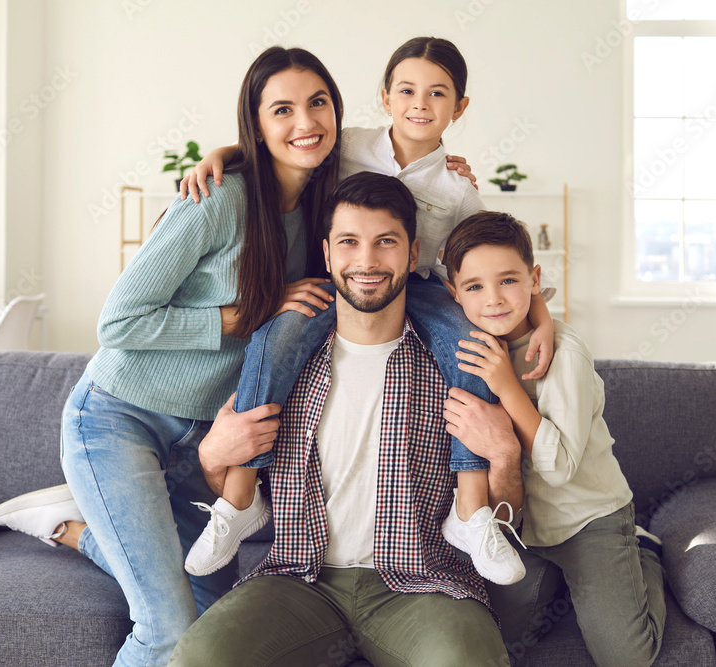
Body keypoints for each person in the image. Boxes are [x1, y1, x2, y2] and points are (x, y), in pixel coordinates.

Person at [0, 46, 346, 667]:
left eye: (318, 103)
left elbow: (410, 152)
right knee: (168, 626)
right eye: (281, 109)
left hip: (201, 446)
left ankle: (83, 532)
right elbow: (119, 321)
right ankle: (95, 521)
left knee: (213, 626)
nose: (304, 121)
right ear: (255, 125)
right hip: (117, 422)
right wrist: (244, 314)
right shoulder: (218, 201)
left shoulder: (323, 209)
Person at [181, 37, 555, 586]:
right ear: (384, 97)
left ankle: (472, 510)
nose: (420, 103)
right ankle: (239, 501)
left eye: (437, 93)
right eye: (406, 90)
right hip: (340, 280)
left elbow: (496, 254)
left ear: (460, 107)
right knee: (276, 335)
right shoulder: (350, 143)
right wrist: (221, 155)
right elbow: (287, 144)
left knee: (473, 349)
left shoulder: (457, 187)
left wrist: (541, 315)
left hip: (420, 286)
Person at [169, 172, 514, 666]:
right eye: (349, 243)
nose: (367, 261)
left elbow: (517, 511)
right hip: (297, 580)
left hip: (423, 585)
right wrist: (210, 456)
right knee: (199, 660)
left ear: (413, 254)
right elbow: (211, 483)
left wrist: (504, 454)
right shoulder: (282, 363)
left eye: (386, 243)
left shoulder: (461, 364)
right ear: (327, 255)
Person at [440, 211, 667, 667]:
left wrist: (507, 385)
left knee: (628, 658)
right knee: (498, 642)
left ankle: (644, 555)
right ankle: (560, 584)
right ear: (454, 294)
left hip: (589, 520)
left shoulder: (564, 354)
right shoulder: (471, 343)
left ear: (533, 279)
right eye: (475, 287)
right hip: (525, 530)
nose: (495, 300)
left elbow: (559, 468)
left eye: (509, 281)